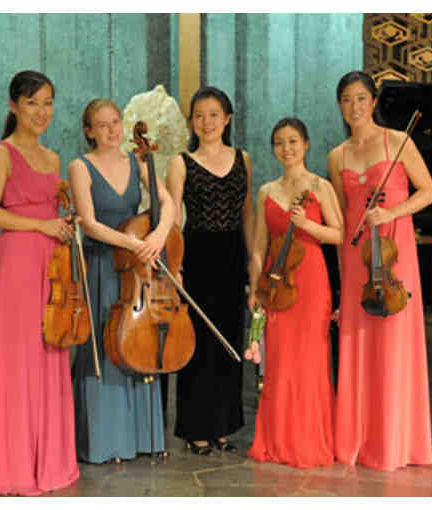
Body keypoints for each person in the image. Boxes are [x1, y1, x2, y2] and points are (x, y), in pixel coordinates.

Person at [328, 70, 432, 471]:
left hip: (396, 257)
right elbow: (344, 217)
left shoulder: (398, 142)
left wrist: (392, 212)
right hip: (357, 259)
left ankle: (396, 441)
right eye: (347, 100)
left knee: (394, 342)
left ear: (374, 102)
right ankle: (358, 438)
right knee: (359, 342)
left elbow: (428, 192)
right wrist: (341, 277)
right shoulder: (337, 155)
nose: (355, 107)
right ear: (340, 106)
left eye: (361, 98)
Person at [0, 70, 79, 495]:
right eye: (32, 102)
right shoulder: (2, 153)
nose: (41, 111)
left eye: (48, 102)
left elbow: (50, 213)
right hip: (17, 265)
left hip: (50, 264)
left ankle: (47, 461)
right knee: (18, 362)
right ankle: (14, 466)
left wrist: (63, 224)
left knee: (48, 353)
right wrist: (42, 225)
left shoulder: (53, 158)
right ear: (13, 106)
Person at [69, 98, 176, 464]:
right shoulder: (80, 167)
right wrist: (132, 243)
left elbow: (167, 203)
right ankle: (105, 441)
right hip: (102, 263)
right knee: (106, 343)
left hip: (137, 267)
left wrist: (158, 235)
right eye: (102, 124)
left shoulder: (137, 161)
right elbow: (89, 223)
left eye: (115, 122)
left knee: (139, 341)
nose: (112, 130)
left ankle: (144, 437)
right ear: (89, 131)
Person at [247, 118, 344, 469]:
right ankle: (277, 440)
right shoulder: (266, 191)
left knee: (310, 361)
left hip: (312, 283)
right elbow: (259, 246)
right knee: (279, 362)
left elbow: (340, 234)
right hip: (277, 284)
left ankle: (308, 440)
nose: (286, 149)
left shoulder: (321, 185)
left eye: (292, 141)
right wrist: (255, 287)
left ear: (306, 144)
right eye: (279, 142)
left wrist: (307, 225)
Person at [166, 86, 255, 455]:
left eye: (214, 114)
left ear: (227, 118)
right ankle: (196, 428)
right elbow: (173, 219)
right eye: (199, 115)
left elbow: (248, 213)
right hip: (197, 255)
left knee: (229, 341)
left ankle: (223, 426)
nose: (207, 122)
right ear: (191, 122)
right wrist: (175, 266)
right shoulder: (180, 163)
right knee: (198, 343)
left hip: (232, 255)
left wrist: (253, 262)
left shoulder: (243, 159)